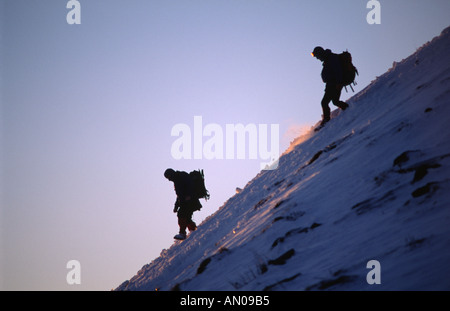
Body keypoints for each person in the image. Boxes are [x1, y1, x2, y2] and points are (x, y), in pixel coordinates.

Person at [311, 46, 349, 126]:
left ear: (320, 53)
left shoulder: (331, 58)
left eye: (317, 56)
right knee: (335, 101)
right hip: (331, 84)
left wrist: (338, 83)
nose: (317, 58)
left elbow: (338, 70)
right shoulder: (328, 59)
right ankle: (348, 108)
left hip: (334, 84)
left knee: (324, 102)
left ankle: (326, 120)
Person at [164, 168, 202, 240]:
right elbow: (179, 196)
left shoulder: (182, 176)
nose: (169, 180)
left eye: (168, 177)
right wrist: (176, 206)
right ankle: (193, 230)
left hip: (191, 200)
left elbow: (190, 185)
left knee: (181, 214)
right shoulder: (177, 180)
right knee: (186, 217)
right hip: (185, 202)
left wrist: (189, 195)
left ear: (171, 174)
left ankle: (182, 233)